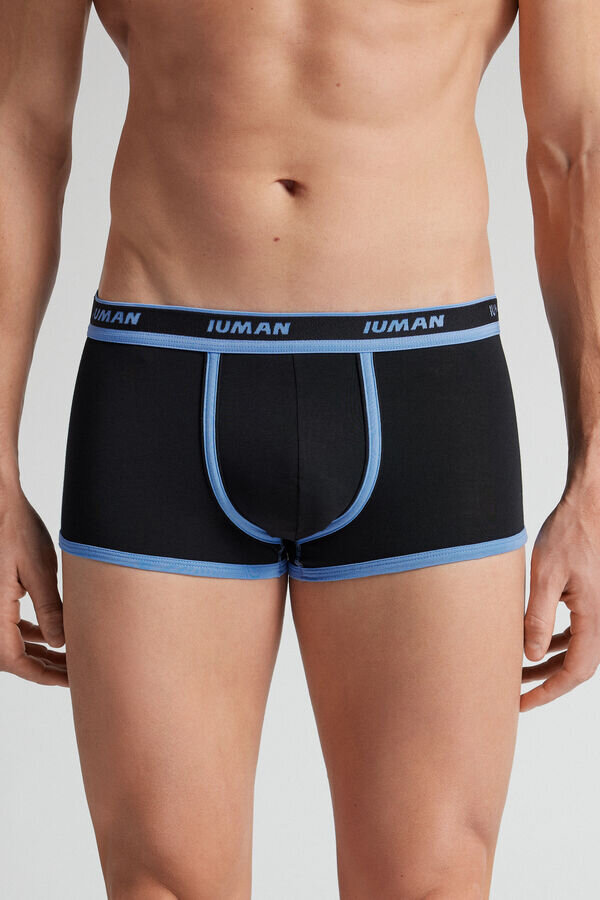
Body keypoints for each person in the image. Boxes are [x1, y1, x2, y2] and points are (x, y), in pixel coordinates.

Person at [1, 1, 599, 897]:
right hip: (161, 384)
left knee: (431, 882)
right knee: (160, 881)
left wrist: (595, 478)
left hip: (425, 394)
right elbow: (20, 126)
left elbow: (576, 144)